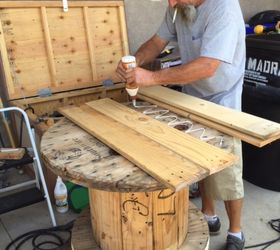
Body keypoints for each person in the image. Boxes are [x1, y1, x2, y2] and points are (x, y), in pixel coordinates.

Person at [116, 0, 246, 249]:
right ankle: (209, 216)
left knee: (228, 169)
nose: (171, 2)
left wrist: (151, 77)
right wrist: (135, 62)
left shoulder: (224, 8)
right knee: (199, 161)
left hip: (223, 97)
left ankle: (236, 232)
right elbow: (156, 43)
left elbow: (208, 66)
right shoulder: (177, 7)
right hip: (192, 94)